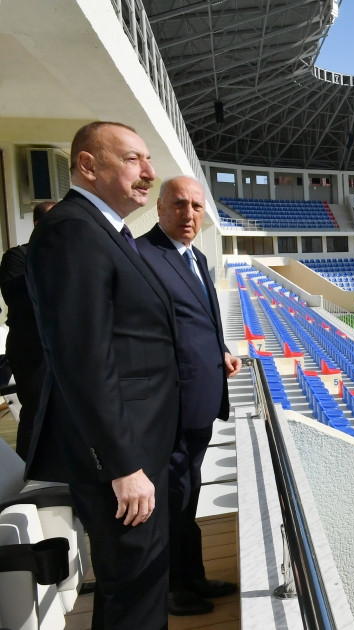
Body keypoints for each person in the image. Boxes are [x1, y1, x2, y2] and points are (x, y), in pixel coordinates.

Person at [25, 121, 180, 630]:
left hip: (139, 447)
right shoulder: (72, 229)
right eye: (134, 160)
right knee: (132, 591)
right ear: (88, 166)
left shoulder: (106, 231)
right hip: (121, 458)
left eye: (149, 161)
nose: (149, 174)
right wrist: (122, 464)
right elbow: (81, 357)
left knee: (141, 585)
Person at [135, 175, 241, 616]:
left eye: (197, 206)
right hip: (171, 407)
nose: (189, 214)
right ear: (159, 208)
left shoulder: (195, 256)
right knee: (173, 500)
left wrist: (221, 350)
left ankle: (191, 575)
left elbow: (195, 323)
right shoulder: (142, 256)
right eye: (179, 205)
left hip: (199, 401)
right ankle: (173, 588)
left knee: (187, 493)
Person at [0, 200, 55, 459]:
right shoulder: (17, 257)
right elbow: (22, 303)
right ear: (37, 224)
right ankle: (29, 473)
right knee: (36, 413)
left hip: (63, 350)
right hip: (33, 352)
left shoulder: (68, 258)